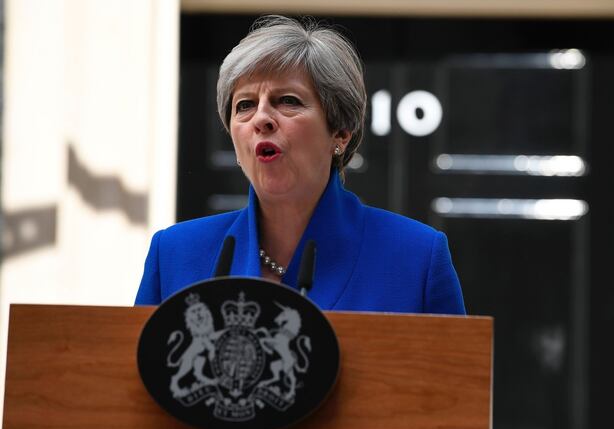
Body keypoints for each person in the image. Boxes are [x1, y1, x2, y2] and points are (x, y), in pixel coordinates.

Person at [135, 16, 465, 314]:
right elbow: (135, 379)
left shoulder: (418, 256)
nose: (261, 118)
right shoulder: (175, 254)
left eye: (287, 101)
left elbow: (454, 382)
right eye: (245, 105)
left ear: (341, 132)